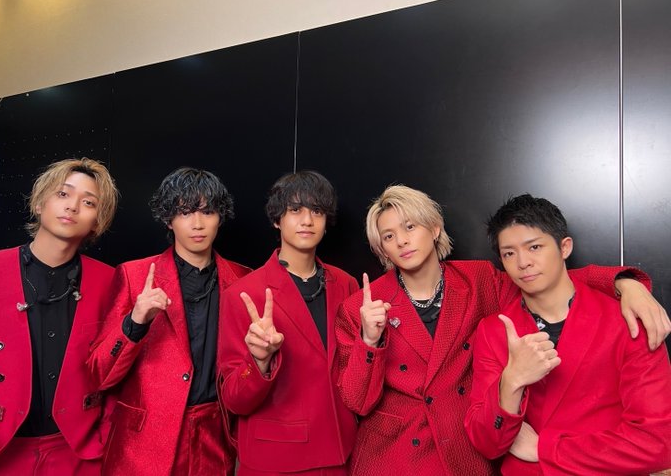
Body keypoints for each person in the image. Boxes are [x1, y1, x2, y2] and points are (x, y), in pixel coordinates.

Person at [334, 185, 670, 476]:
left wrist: (623, 283)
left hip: (462, 451)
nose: (402, 241)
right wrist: (369, 340)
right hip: (394, 455)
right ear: (381, 247)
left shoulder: (479, 279)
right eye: (388, 236)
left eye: (410, 226)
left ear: (434, 228)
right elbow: (357, 403)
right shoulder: (360, 305)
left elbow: (544, 280)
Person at [464, 194, 671, 475]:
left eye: (534, 247)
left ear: (565, 247)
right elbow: (486, 442)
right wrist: (512, 381)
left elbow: (657, 444)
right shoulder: (494, 330)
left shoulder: (628, 320)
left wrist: (545, 449)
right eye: (509, 253)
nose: (522, 262)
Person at [87, 167, 249, 476]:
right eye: (185, 212)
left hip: (215, 441)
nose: (198, 223)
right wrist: (135, 322)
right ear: (168, 219)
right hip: (144, 444)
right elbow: (99, 375)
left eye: (208, 212)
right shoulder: (134, 275)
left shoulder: (243, 279)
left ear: (220, 217)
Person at [218, 170, 359, 475]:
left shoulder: (346, 284)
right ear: (277, 220)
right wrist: (259, 361)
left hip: (340, 450)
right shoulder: (243, 293)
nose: (307, 220)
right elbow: (233, 400)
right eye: (295, 210)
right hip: (277, 456)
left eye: (317, 211)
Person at [0, 158, 119, 475]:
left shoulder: (109, 282)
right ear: (39, 203)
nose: (72, 207)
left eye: (88, 202)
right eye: (63, 194)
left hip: (77, 452)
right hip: (1, 447)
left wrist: (104, 438)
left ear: (97, 221)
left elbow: (116, 370)